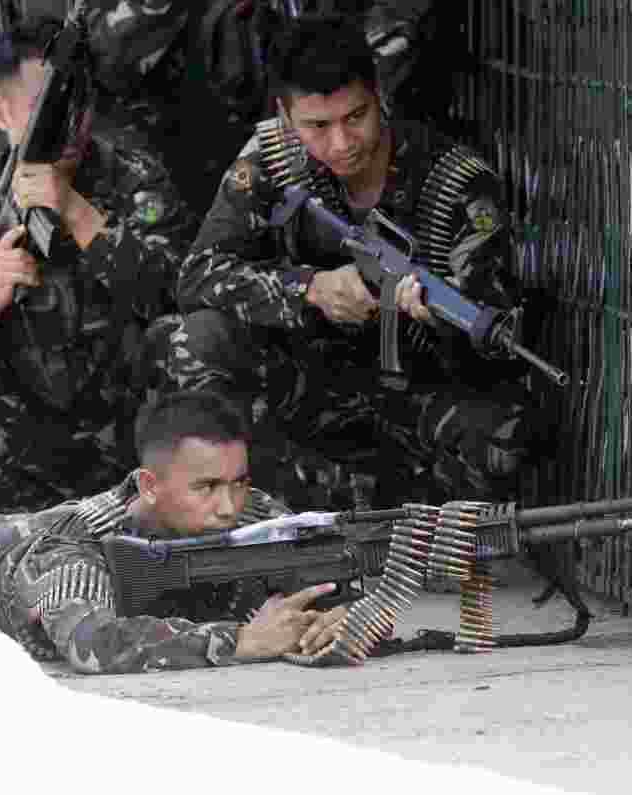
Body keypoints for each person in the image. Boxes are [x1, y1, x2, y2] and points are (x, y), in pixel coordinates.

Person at [165, 13, 551, 508]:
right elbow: (197, 275)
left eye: (356, 117)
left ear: (378, 96)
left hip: (416, 391)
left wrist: (438, 320)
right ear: (284, 116)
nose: (341, 143)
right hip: (310, 378)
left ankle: (398, 515)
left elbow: (494, 348)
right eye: (318, 126)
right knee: (191, 342)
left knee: (508, 433)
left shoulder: (457, 184)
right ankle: (257, 509)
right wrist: (309, 289)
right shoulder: (270, 159)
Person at [0, 18, 195, 524]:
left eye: (76, 106)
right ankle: (46, 535)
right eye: (46, 111)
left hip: (135, 432)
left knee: (188, 340)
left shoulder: (132, 176)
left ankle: (190, 517)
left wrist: (79, 214)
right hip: (38, 441)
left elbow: (181, 291)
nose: (68, 124)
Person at [0, 391, 351, 673]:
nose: (230, 505)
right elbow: (94, 646)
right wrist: (240, 640)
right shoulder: (78, 549)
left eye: (238, 482)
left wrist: (331, 614)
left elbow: (313, 568)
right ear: (149, 484)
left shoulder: (251, 509)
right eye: (206, 488)